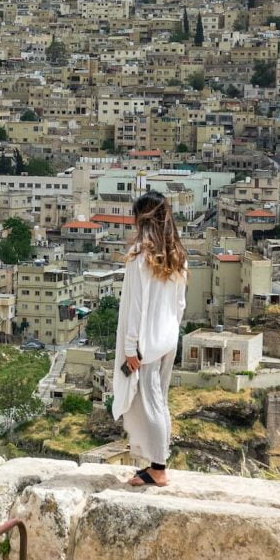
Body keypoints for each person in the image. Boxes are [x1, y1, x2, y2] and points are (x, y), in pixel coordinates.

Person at [111, 191, 187, 487]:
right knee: (159, 401)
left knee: (153, 403)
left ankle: (158, 468)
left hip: (146, 344)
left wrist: (132, 348)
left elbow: (135, 306)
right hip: (168, 339)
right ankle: (155, 462)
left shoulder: (140, 257)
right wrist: (170, 331)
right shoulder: (177, 256)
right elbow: (180, 304)